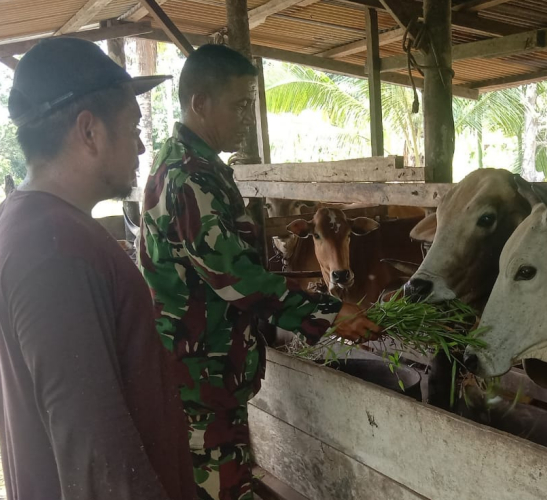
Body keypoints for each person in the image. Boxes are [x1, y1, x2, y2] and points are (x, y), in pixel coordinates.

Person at [138, 44, 381, 500]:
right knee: (219, 487)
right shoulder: (189, 176)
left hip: (206, 368)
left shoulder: (194, 165)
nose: (249, 116)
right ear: (200, 104)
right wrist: (331, 313)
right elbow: (236, 277)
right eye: (240, 104)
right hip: (201, 374)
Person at [0, 38, 196, 500]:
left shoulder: (29, 225)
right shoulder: (55, 249)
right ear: (89, 132)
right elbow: (100, 458)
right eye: (133, 127)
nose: (143, 146)